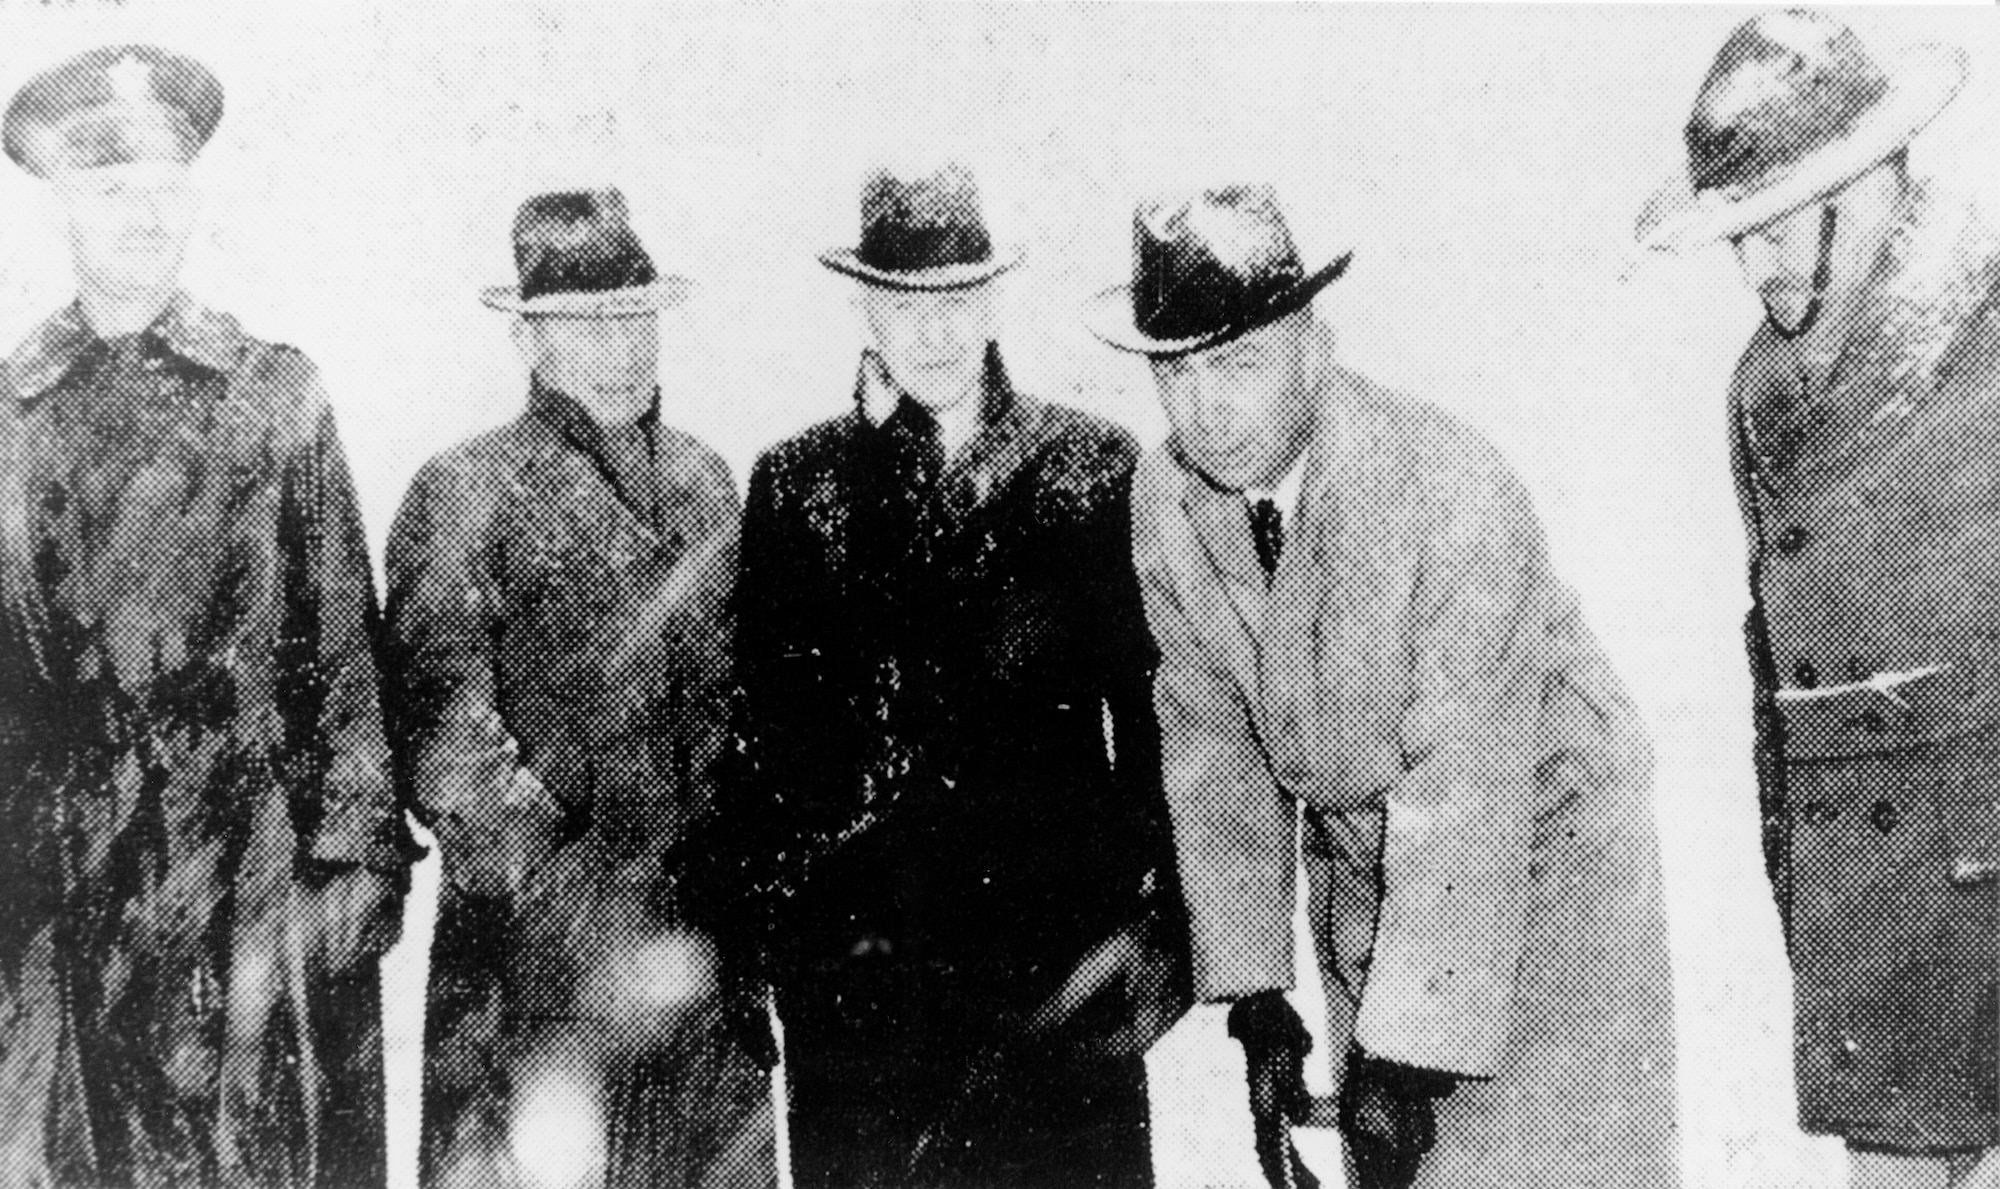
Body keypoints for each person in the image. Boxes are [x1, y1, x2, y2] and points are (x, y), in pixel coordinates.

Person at [1092, 184, 1679, 1189]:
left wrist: (1400, 1057)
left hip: (1544, 855)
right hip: (1373, 855)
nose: (1205, 407)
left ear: (1311, 345)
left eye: (1237, 362)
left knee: (1539, 1165)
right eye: (1175, 372)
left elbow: (1463, 785)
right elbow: (1212, 745)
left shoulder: (1446, 487)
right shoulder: (1165, 496)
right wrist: (1257, 1003)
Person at [716, 161, 1186, 1189]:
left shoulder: (1090, 467)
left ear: (991, 299)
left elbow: (1153, 716)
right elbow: (763, 733)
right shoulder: (798, 484)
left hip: (1054, 975)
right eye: (903, 303)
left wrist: (1161, 923)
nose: (933, 333)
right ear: (862, 308)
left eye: (957, 300)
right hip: (865, 987)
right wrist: (768, 943)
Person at [0, 43, 418, 1189]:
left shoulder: (273, 393)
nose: (143, 216)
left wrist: (353, 868)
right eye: (110, 189)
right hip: (70, 903)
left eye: (165, 189)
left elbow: (338, 652)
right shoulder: (10, 419)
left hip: (257, 889)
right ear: (62, 203)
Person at [1637, 11, 1998, 1188]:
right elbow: (1770, 676)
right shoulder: (1757, 388)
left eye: (1777, 227)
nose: (1758, 270)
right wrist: (1801, 889)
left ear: (1878, 178)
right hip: (1870, 911)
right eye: (1735, 239)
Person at [383, 189, 775, 1189]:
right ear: (527, 340)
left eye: (634, 317)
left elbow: (742, 715)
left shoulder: (705, 486)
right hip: (535, 989)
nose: (619, 350)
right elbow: (447, 746)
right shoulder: (463, 493)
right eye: (583, 325)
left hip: (698, 979)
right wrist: (585, 924)